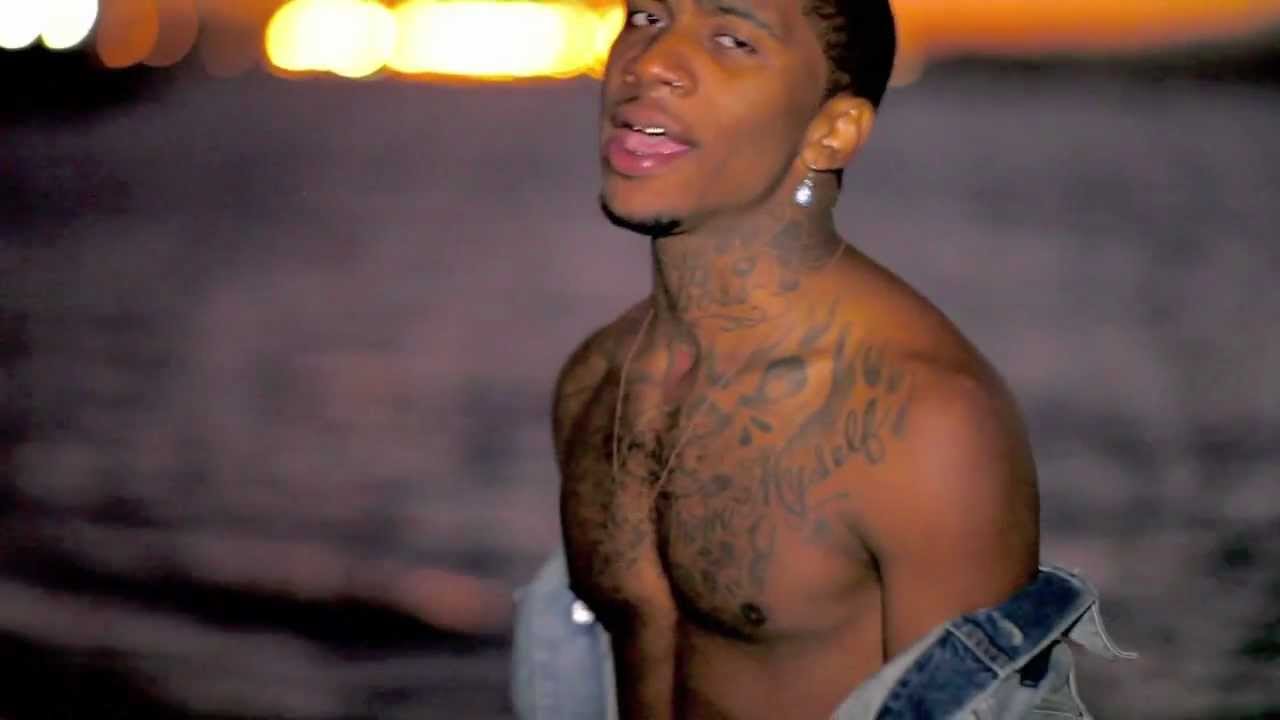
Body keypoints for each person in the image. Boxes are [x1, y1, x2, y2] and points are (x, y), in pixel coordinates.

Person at [512, 0, 1134, 717]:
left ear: (831, 132)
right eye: (647, 16)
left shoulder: (922, 422)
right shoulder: (598, 380)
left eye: (731, 39)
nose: (649, 63)